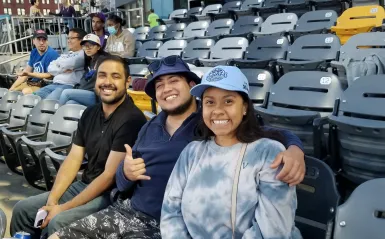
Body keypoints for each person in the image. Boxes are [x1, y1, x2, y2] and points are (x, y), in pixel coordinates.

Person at [50, 57, 305, 239]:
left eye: (174, 81)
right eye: (159, 86)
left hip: (158, 227)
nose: (166, 89)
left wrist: (294, 147)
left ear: (190, 87)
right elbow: (121, 182)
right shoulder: (152, 128)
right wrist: (125, 173)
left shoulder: (207, 125)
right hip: (128, 211)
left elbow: (265, 135)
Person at [10, 55, 147, 239]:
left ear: (127, 81)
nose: (107, 82)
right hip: (84, 184)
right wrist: (53, 199)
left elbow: (108, 176)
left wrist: (62, 208)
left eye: (115, 76)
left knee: (58, 221)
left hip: (109, 196)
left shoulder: (131, 119)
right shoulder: (90, 113)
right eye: (102, 75)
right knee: (22, 210)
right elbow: (74, 158)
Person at [161, 65, 303, 238]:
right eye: (209, 102)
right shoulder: (191, 151)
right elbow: (170, 211)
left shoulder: (268, 153)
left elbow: (273, 230)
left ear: (244, 107)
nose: (218, 110)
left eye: (228, 101)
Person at [32, 28, 86, 99]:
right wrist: (62, 69)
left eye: (72, 38)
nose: (68, 41)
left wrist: (58, 66)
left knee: (48, 103)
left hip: (69, 86)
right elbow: (50, 68)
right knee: (33, 98)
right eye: (68, 38)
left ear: (81, 40)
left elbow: (69, 64)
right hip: (54, 84)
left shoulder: (83, 54)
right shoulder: (67, 54)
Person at [58, 33, 109, 106]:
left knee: (66, 93)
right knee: (71, 103)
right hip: (87, 92)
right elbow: (84, 79)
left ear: (98, 47)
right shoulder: (90, 60)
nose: (87, 48)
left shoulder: (103, 61)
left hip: (98, 95)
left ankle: (57, 116)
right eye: (85, 46)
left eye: (90, 45)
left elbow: (95, 82)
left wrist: (80, 89)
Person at [10, 30, 59, 94]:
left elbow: (49, 75)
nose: (41, 43)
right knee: (12, 92)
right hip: (31, 83)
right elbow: (26, 73)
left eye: (44, 40)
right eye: (39, 40)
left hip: (44, 86)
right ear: (33, 41)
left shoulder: (52, 54)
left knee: (25, 91)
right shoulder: (34, 52)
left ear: (47, 41)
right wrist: (11, 88)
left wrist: (29, 74)